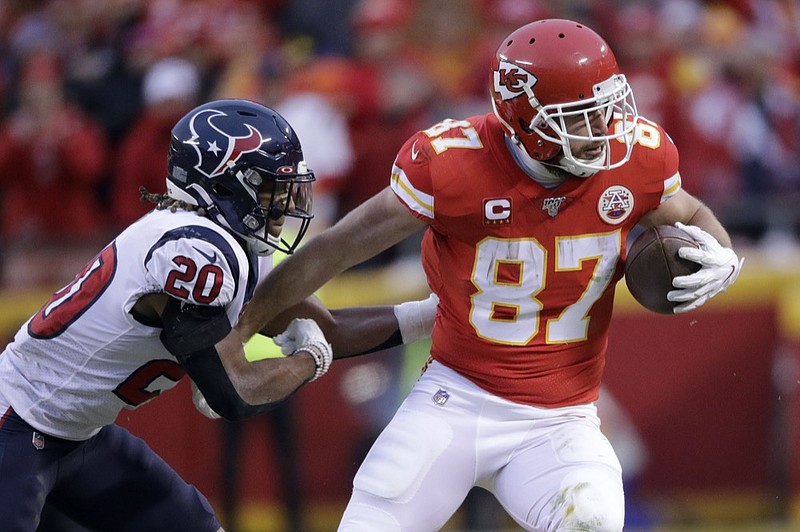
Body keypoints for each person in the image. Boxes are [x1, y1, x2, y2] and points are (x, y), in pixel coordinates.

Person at [236, 19, 744, 531]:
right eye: (580, 118)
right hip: (455, 398)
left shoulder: (637, 156)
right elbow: (334, 248)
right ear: (526, 120)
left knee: (592, 521)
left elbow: (691, 213)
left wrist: (721, 254)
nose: (603, 131)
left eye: (606, 109)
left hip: (562, 419)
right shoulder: (454, 165)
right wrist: (241, 328)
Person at [0, 98, 437, 532]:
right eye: (270, 189)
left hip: (79, 435)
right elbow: (237, 393)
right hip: (15, 424)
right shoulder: (192, 252)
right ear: (225, 185)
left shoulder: (233, 244)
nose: (285, 203)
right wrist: (310, 360)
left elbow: (330, 329)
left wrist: (435, 316)